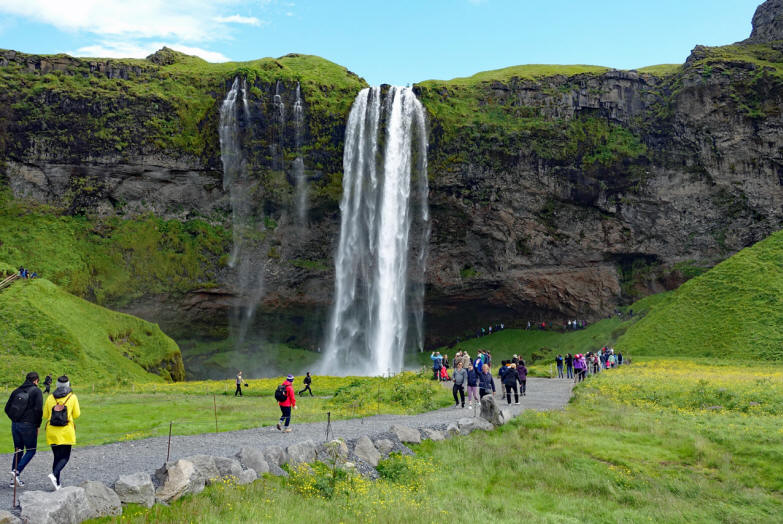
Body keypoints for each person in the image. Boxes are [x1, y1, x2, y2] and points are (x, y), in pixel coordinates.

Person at [5, 371, 43, 488]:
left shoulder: (16, 391)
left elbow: (7, 408)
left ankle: (13, 480)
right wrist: (37, 425)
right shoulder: (36, 391)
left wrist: (15, 419)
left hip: (15, 424)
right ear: (36, 380)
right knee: (31, 450)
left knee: (18, 450)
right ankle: (16, 471)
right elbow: (38, 410)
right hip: (28, 425)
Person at [43, 375, 80, 490]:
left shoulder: (50, 397)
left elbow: (45, 415)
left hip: (52, 431)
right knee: (65, 457)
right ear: (68, 384)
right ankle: (54, 474)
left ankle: (57, 483)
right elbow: (76, 414)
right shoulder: (72, 397)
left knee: (56, 457)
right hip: (66, 431)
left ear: (57, 385)